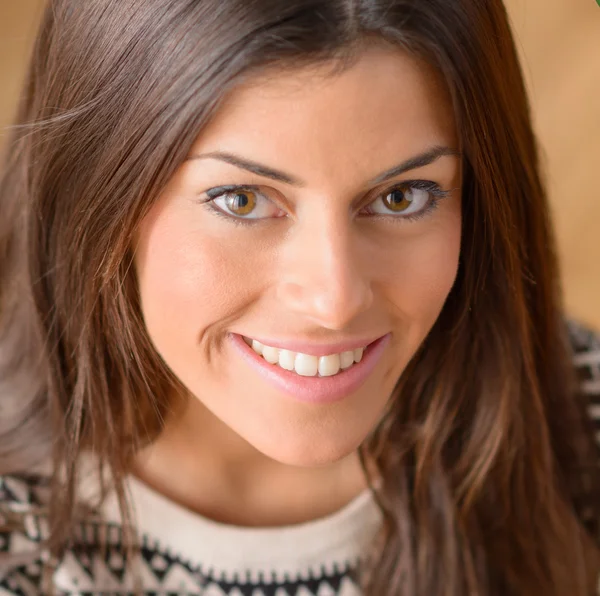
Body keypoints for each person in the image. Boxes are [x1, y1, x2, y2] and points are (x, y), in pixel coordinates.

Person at [0, 0, 599, 594]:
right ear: (94, 196)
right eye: (242, 200)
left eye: (402, 196)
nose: (334, 301)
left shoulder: (579, 430)